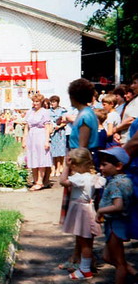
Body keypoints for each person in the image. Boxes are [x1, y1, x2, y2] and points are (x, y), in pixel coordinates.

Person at [60, 148, 105, 280]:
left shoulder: (79, 178)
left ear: (75, 165)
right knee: (86, 241)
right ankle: (86, 265)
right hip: (88, 209)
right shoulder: (94, 177)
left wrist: (65, 167)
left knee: (84, 241)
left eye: (72, 164)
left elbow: (63, 182)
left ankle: (85, 270)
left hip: (82, 211)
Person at [96, 147, 135, 284]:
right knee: (107, 256)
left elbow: (117, 206)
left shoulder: (115, 184)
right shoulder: (127, 180)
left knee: (119, 263)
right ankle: (134, 273)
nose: (101, 168)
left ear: (118, 166)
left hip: (115, 225)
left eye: (104, 165)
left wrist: (101, 211)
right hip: (120, 223)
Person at [22, 94, 52, 191]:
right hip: (31, 136)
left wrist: (46, 141)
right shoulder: (30, 112)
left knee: (41, 158)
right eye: (34, 101)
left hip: (41, 135)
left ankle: (40, 181)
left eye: (37, 102)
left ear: (41, 102)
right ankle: (35, 180)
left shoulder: (45, 112)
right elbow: (26, 127)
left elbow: (47, 127)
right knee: (32, 158)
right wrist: (24, 140)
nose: (35, 103)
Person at [113, 73, 138, 145]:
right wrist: (118, 133)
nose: (132, 86)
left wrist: (115, 130)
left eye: (135, 83)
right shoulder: (134, 100)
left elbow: (131, 120)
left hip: (130, 143)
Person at [49, 95, 67, 177]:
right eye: (51, 102)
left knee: (60, 151)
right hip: (52, 132)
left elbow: (65, 121)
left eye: (54, 102)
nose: (52, 103)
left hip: (60, 131)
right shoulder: (49, 111)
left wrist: (59, 126)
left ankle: (59, 168)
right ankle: (53, 168)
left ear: (57, 102)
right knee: (53, 151)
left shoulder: (62, 110)